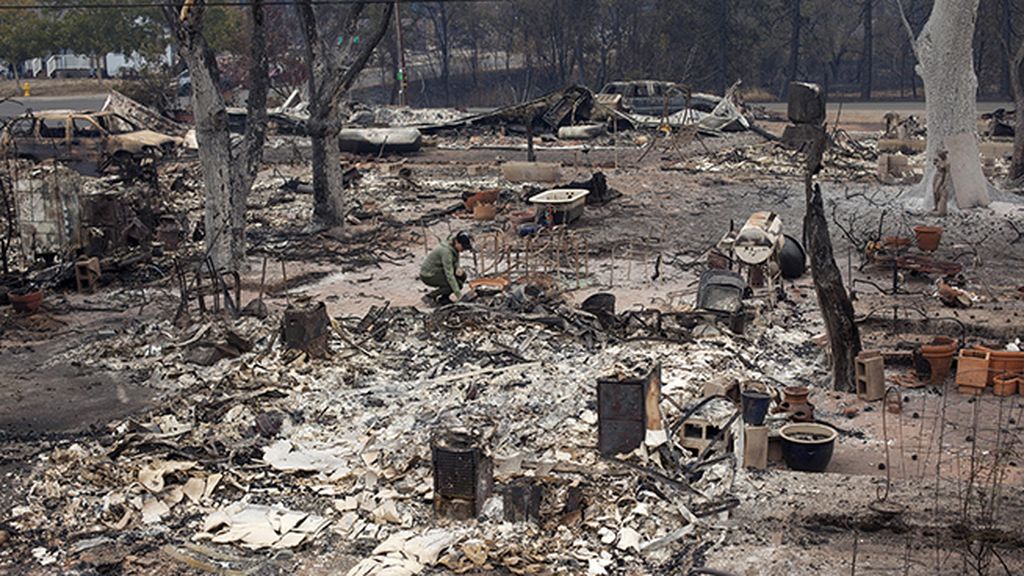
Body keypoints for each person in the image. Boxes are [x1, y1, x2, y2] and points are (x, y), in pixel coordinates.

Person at [420, 232, 473, 305]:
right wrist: (459, 295)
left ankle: (444, 298)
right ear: (457, 242)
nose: (463, 249)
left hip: (438, 270)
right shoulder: (446, 252)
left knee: (462, 276)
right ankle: (430, 296)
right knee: (456, 284)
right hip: (428, 274)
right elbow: (449, 275)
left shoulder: (454, 247)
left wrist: (458, 269)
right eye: (463, 246)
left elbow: (455, 261)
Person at [931, 150, 950, 216]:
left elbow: (947, 173)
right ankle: (936, 206)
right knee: (935, 191)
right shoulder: (939, 161)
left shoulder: (946, 163)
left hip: (941, 177)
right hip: (937, 176)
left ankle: (941, 209)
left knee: (939, 191)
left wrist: (945, 182)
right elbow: (934, 164)